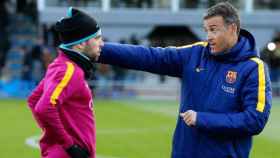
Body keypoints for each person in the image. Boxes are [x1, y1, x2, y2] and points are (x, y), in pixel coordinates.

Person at [98, 2, 272, 158]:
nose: (208, 36)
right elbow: (150, 57)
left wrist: (202, 119)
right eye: (206, 30)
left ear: (232, 28)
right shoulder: (196, 53)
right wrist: (101, 50)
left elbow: (254, 120)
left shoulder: (253, 68)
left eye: (214, 29)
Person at [27, 7, 104, 158]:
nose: (101, 43)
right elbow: (44, 107)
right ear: (81, 44)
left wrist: (52, 135)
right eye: (97, 38)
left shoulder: (62, 64)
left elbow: (33, 100)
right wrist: (69, 146)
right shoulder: (70, 70)